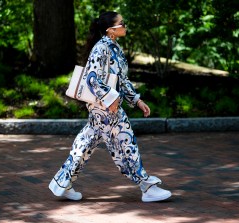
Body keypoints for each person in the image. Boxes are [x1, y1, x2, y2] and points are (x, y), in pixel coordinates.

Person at [49, 11, 172, 202]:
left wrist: (137, 101)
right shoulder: (101, 48)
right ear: (110, 30)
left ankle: (62, 183)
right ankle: (146, 187)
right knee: (126, 142)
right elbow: (92, 78)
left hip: (103, 107)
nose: (125, 26)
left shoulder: (114, 48)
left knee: (86, 143)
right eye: (122, 23)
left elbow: (122, 81)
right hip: (106, 108)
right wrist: (110, 100)